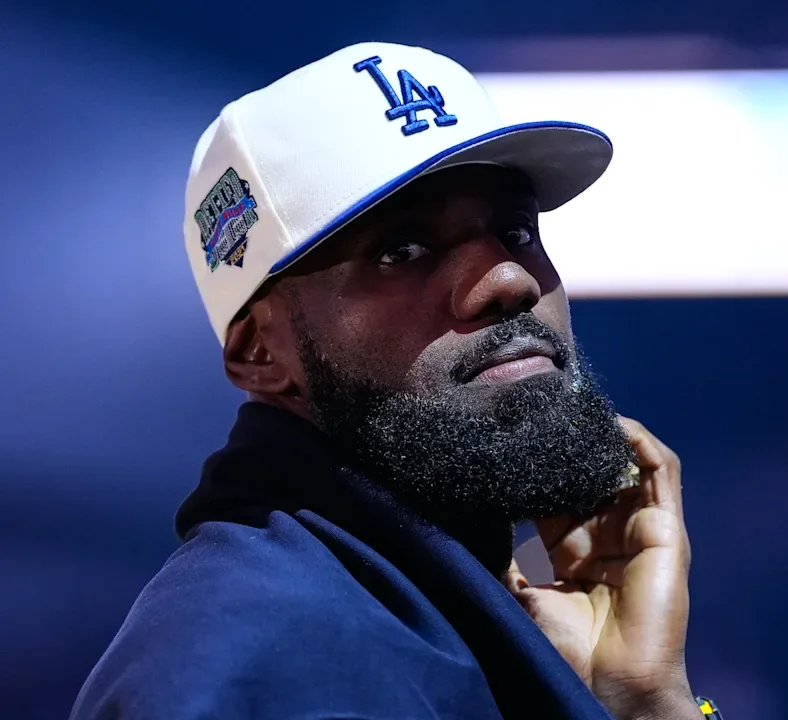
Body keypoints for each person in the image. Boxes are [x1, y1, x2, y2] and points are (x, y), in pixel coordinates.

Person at [70, 41, 722, 720]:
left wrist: (644, 702)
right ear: (261, 352)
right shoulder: (261, 666)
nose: (511, 280)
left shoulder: (436, 610)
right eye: (402, 250)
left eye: (516, 231)